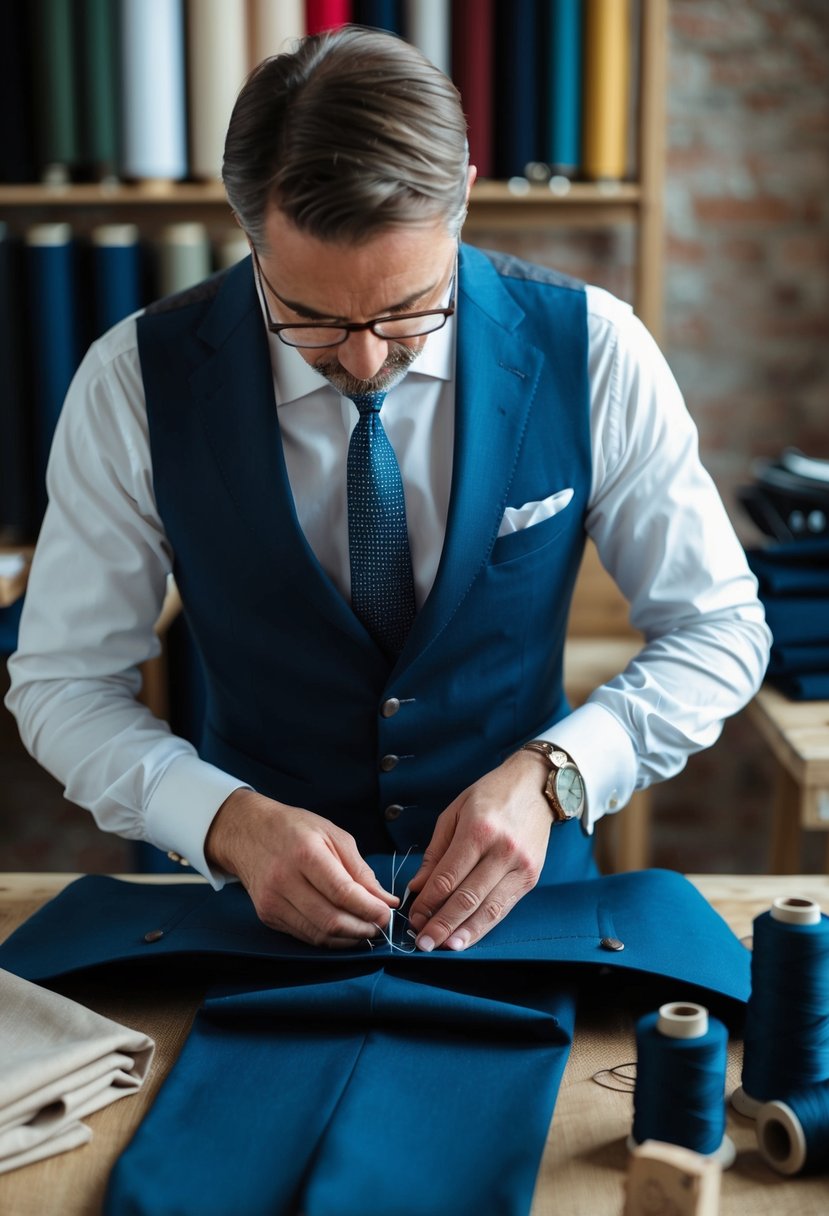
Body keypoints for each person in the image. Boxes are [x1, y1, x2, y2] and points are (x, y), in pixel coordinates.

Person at [6, 27, 770, 956]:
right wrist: (224, 821)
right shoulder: (131, 381)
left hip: (531, 912)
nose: (365, 360)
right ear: (245, 231)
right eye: (310, 317)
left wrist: (556, 773)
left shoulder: (595, 351)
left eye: (408, 308)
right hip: (245, 917)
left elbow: (719, 628)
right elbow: (63, 682)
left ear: (464, 204)